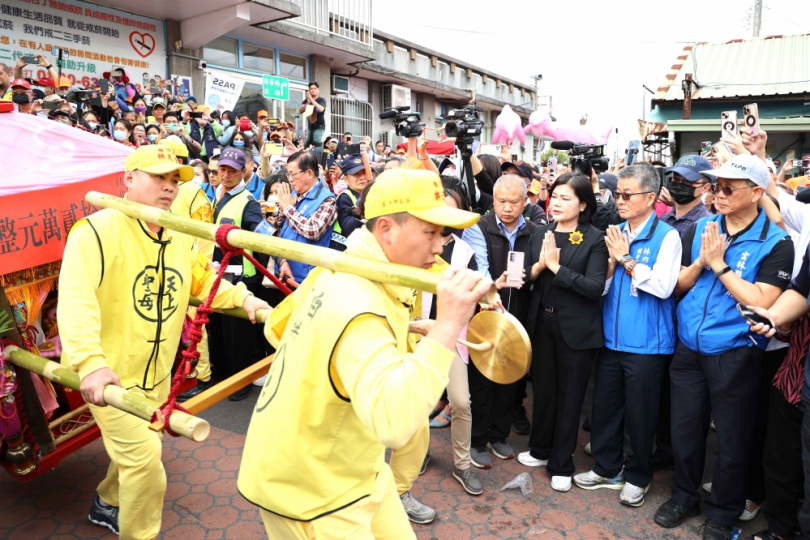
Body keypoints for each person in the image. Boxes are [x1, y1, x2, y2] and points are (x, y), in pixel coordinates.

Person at [238, 167, 486, 539]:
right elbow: (394, 422)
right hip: (311, 490)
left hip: (356, 468)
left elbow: (279, 328)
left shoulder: (344, 266)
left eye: (444, 234)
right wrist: (448, 328)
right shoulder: (360, 304)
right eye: (430, 232)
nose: (439, 247)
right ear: (385, 228)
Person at [58, 145, 269, 539]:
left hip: (156, 373)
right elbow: (75, 302)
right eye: (159, 177)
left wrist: (244, 298)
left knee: (138, 448)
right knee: (144, 459)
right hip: (112, 375)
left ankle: (107, 502)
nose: (169, 187)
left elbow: (202, 281)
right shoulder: (95, 232)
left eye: (175, 180)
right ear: (129, 179)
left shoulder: (177, 234)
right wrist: (90, 362)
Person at [654, 154, 794, 540]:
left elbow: (762, 301)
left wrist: (720, 264)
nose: (719, 193)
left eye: (729, 187)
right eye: (715, 185)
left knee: (732, 438)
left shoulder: (775, 242)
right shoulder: (704, 226)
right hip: (689, 347)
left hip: (734, 351)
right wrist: (702, 261)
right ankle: (683, 496)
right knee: (685, 429)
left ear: (756, 192)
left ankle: (723, 512)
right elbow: (681, 285)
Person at [573, 165, 681, 506]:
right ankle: (606, 468)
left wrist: (626, 260)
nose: (619, 200)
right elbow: (604, 287)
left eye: (627, 195)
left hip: (647, 343)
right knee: (605, 408)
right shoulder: (614, 231)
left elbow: (664, 287)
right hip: (611, 338)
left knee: (641, 415)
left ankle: (639, 475)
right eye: (618, 194)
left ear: (650, 198)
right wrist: (609, 267)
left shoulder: (667, 236)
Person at [516, 173, 608, 492]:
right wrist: (540, 267)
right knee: (543, 390)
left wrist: (557, 269)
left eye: (565, 198)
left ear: (583, 205)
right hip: (542, 323)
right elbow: (521, 277)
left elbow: (595, 287)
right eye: (554, 196)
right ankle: (540, 450)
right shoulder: (540, 231)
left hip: (577, 331)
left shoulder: (595, 238)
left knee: (570, 397)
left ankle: (561, 463)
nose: (556, 202)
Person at [461, 174, 539, 469]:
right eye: (501, 201)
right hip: (485, 317)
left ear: (525, 201)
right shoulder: (478, 228)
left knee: (512, 378)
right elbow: (479, 272)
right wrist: (496, 284)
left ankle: (499, 435)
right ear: (493, 201)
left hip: (519, 315)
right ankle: (478, 440)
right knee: (482, 381)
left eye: (513, 201)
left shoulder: (534, 231)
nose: (507, 208)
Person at [649, 155, 715, 472]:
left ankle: (681, 455)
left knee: (686, 402)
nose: (678, 184)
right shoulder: (662, 223)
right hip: (662, 320)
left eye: (687, 180)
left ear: (705, 187)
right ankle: (665, 448)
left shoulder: (707, 225)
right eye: (674, 177)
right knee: (662, 393)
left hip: (690, 323)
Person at [208, 148, 268, 402]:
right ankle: (222, 376)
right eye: (222, 169)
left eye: (232, 170)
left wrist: (252, 276)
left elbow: (262, 239)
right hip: (219, 272)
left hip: (240, 275)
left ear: (244, 172)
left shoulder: (249, 202)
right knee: (220, 329)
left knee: (238, 334)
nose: (226, 174)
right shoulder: (217, 196)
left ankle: (241, 380)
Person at [276, 151, 337, 285]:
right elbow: (280, 226)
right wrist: (281, 211)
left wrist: (287, 208)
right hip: (284, 270)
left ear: (309, 173)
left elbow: (313, 230)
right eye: (288, 174)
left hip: (307, 279)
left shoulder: (327, 200)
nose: (290, 179)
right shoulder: (294, 193)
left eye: (293, 174)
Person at [331, 154, 370, 251]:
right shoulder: (344, 197)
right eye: (356, 174)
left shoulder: (373, 193)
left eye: (364, 172)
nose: (362, 177)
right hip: (345, 252)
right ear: (345, 179)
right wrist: (363, 207)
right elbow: (348, 228)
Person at [300, 81, 326, 148]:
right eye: (311, 89)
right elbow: (300, 110)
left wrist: (311, 98)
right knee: (308, 142)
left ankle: (319, 156)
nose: (313, 90)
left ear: (318, 90)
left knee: (317, 141)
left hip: (319, 126)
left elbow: (321, 109)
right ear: (309, 90)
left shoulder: (321, 100)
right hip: (309, 126)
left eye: (315, 88)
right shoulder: (306, 101)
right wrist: (307, 103)